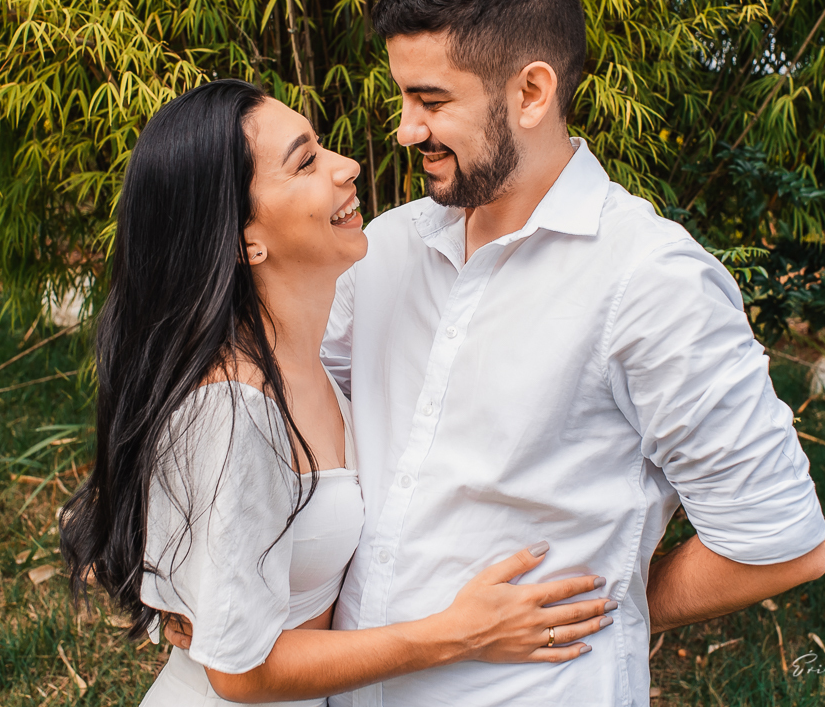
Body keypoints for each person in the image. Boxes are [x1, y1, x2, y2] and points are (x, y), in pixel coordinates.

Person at [318, 0, 825, 707]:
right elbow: (302, 425)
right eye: (402, 98)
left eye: (430, 101)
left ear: (531, 93)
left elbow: (779, 541)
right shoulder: (382, 248)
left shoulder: (651, 281)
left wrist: (605, 616)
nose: (403, 130)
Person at [58, 78, 615, 707]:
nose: (347, 166)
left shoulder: (313, 362)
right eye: (306, 162)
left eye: (323, 148)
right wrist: (459, 634)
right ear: (244, 239)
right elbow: (241, 674)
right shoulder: (234, 408)